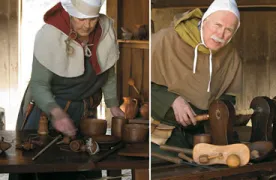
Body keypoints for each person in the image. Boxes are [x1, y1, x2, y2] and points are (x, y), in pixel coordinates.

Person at [12, 0, 124, 179]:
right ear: (70, 12)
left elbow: (108, 70)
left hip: (85, 111)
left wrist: (112, 104)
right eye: (80, 19)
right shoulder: (49, 35)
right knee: (40, 166)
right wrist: (56, 113)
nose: (87, 25)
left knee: (84, 165)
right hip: (48, 108)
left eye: (92, 19)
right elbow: (39, 85)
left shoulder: (105, 31)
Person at [151, 0, 242, 153]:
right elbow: (144, 86)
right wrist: (172, 100)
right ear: (204, 21)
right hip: (161, 129)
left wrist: (220, 113)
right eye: (217, 25)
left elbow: (228, 97)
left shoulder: (231, 55)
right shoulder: (165, 40)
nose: (220, 34)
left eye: (228, 30)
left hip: (202, 132)